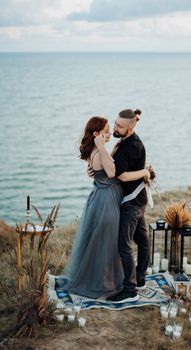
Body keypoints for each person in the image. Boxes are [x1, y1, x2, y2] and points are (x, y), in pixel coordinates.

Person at [64, 116, 150, 299]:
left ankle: (134, 279)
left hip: (106, 197)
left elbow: (103, 169)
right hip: (107, 200)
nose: (110, 132)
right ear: (96, 135)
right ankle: (111, 283)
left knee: (109, 241)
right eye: (106, 131)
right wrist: (146, 172)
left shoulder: (100, 150)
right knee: (108, 243)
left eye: (112, 128)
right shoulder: (99, 150)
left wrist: (99, 160)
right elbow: (112, 172)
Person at [94, 108, 151, 303]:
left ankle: (130, 290)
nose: (115, 127)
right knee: (142, 239)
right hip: (136, 198)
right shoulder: (125, 141)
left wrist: (144, 172)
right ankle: (140, 278)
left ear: (130, 127)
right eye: (115, 123)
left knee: (124, 245)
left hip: (132, 201)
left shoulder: (132, 146)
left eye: (119, 126)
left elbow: (118, 174)